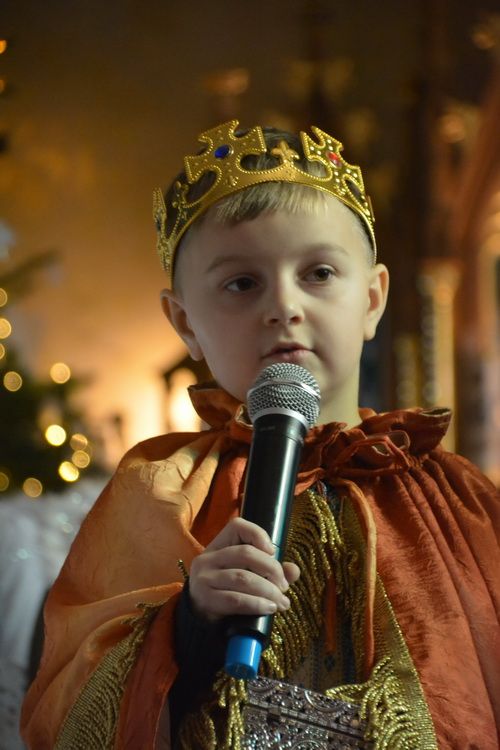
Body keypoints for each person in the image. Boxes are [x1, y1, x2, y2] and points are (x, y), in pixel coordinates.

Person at [20, 120, 499, 750]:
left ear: (372, 299)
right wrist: (190, 624)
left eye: (319, 273)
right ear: (185, 323)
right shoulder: (161, 492)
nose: (284, 307)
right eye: (242, 283)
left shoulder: (462, 499)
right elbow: (70, 711)